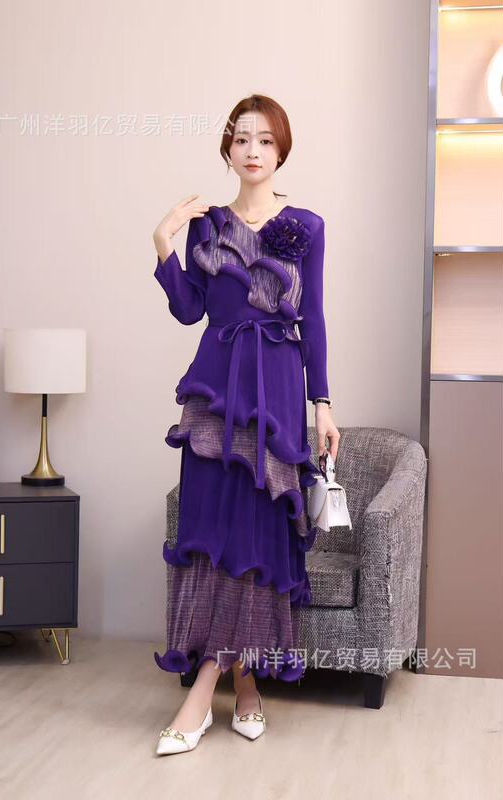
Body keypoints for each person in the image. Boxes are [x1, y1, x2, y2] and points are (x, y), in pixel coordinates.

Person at [152, 93, 340, 755]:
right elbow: (188, 310)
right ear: (227, 150)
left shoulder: (306, 226)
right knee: (212, 531)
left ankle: (224, 686)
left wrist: (322, 403)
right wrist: (163, 243)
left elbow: (313, 318)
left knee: (259, 532)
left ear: (281, 149)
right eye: (241, 139)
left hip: (278, 389)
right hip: (216, 387)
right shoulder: (207, 226)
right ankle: (234, 686)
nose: (252, 150)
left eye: (264, 139)